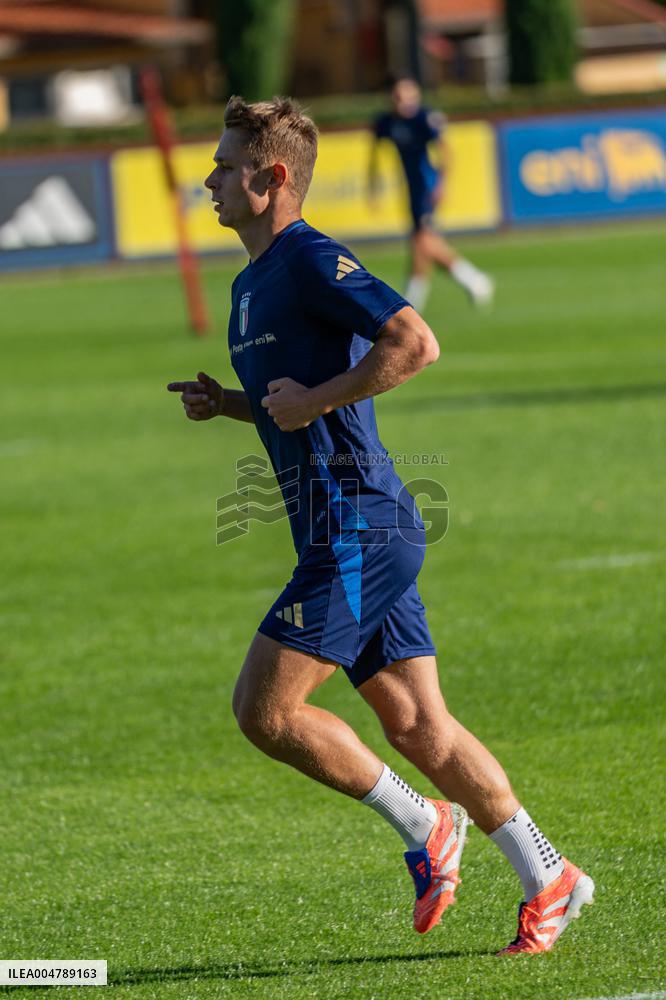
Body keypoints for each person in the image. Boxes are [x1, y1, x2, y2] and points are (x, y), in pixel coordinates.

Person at [167, 96, 593, 954]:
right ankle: (550, 876)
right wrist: (233, 407)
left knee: (264, 709)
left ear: (272, 176)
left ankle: (425, 823)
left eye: (224, 162)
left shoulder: (311, 258)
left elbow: (414, 341)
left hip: (358, 530)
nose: (209, 177)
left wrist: (318, 397)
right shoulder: (253, 282)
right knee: (420, 727)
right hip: (357, 530)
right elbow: (295, 410)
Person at [369, 77, 494, 312]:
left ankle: (415, 298)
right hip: (411, 189)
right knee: (426, 243)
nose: (402, 100)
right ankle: (474, 281)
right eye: (397, 95)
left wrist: (441, 184)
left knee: (421, 240)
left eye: (407, 94)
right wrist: (373, 185)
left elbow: (445, 150)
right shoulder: (386, 122)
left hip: (427, 187)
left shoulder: (424, 119)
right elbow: (374, 153)